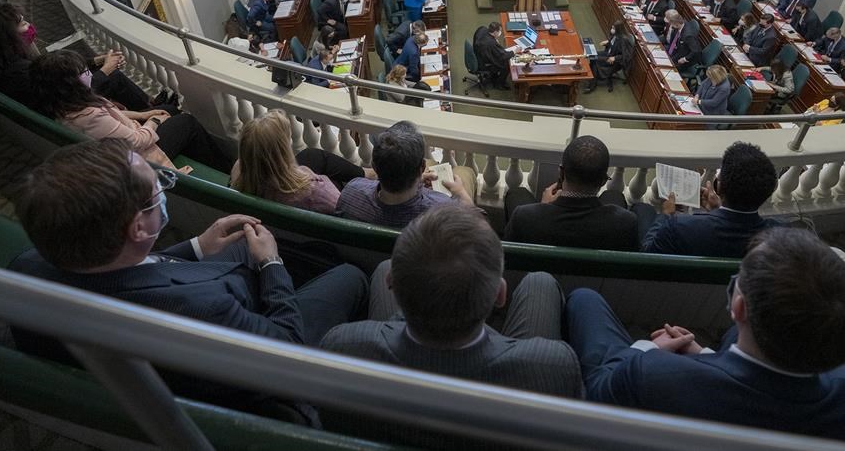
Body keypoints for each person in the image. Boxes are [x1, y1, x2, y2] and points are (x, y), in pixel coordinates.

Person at [11, 139, 368, 418]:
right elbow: (285, 343)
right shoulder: (202, 308)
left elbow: (133, 267)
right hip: (262, 351)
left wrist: (197, 247)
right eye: (157, 190)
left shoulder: (26, 269)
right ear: (138, 227)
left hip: (184, 299)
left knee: (249, 242)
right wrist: (271, 265)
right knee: (349, 275)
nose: (163, 190)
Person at [565, 227, 845, 447]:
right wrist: (707, 358)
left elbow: (598, 395)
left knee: (584, 299)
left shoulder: (649, 374)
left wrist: (645, 351)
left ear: (738, 305)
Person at [321, 205, 582, 398]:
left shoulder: (341, 347)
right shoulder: (554, 368)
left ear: (391, 283)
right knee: (541, 282)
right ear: (499, 295)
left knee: (383, 265)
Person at [30, 50, 234, 173]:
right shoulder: (88, 118)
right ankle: (224, 168)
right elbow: (136, 142)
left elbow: (112, 114)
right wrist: (154, 121)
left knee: (169, 109)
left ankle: (193, 149)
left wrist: (144, 115)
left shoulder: (67, 102)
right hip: (138, 156)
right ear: (68, 83)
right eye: (83, 72)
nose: (88, 74)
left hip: (129, 137)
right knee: (187, 123)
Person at [0, 1, 156, 110]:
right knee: (114, 77)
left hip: (63, 98)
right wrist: (105, 69)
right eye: (22, 23)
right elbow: (74, 94)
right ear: (9, 35)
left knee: (113, 76)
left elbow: (56, 70)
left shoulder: (8, 57)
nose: (28, 25)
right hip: (68, 107)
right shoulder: (20, 71)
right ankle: (149, 110)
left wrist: (96, 61)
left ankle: (148, 107)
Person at [641, 142, 780, 257]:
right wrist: (717, 210)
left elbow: (648, 254)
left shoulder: (677, 227)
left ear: (719, 187)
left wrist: (666, 215)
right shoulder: (779, 235)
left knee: (642, 209)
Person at [504, 136, 637, 251]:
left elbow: (508, 257)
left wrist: (542, 209)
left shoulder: (523, 217)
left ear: (561, 172)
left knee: (517, 194)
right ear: (603, 181)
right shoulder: (626, 223)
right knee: (614, 196)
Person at [336, 121, 473, 227]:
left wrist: (416, 180)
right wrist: (461, 193)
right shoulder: (446, 212)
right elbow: (478, 230)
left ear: (374, 167)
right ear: (422, 168)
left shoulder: (351, 191)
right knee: (464, 172)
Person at [230, 110, 364, 215]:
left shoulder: (239, 171)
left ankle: (364, 173)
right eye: (287, 139)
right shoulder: (314, 190)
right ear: (283, 150)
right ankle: (367, 175)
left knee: (312, 155)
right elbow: (345, 213)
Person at [585, 22, 633, 93]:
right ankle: (591, 75)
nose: (611, 29)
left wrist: (615, 58)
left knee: (595, 61)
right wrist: (607, 42)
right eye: (612, 27)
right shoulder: (615, 35)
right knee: (592, 55)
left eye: (613, 28)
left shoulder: (623, 40)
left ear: (619, 30)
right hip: (608, 53)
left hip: (615, 61)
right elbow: (612, 43)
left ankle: (592, 85)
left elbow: (626, 55)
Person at [473, 22, 514, 89]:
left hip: (478, 54)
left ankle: (494, 76)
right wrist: (513, 52)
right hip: (483, 64)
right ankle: (499, 84)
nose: (500, 32)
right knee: (506, 64)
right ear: (495, 32)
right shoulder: (491, 44)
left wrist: (494, 39)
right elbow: (502, 56)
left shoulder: (482, 28)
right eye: (499, 31)